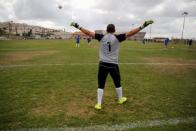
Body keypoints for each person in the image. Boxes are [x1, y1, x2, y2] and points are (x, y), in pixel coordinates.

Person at [71, 20, 154, 110]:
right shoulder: (118, 38)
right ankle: (120, 99)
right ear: (114, 30)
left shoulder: (101, 37)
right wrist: (143, 26)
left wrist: (77, 26)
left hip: (102, 64)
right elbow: (131, 33)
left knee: (101, 84)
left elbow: (88, 32)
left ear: (106, 30)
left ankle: (99, 104)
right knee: (117, 82)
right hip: (113, 64)